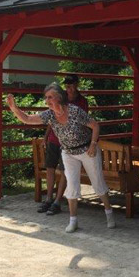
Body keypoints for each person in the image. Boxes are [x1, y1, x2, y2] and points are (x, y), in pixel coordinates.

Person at [7, 83, 115, 233]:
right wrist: (14, 108)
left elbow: (95, 126)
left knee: (97, 183)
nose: (47, 100)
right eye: (46, 98)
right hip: (68, 152)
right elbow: (27, 119)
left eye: (50, 97)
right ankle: (73, 220)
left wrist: (93, 144)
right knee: (72, 185)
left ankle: (109, 213)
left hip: (86, 150)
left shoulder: (75, 111)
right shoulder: (50, 114)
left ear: (59, 97)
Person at [40, 74, 88, 215]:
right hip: (54, 139)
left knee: (64, 172)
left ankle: (57, 201)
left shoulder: (82, 102)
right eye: (67, 86)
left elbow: (84, 121)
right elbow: (52, 116)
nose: (69, 88)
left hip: (68, 143)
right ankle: (48, 199)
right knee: (50, 168)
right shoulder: (61, 97)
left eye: (71, 85)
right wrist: (46, 136)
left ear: (77, 84)